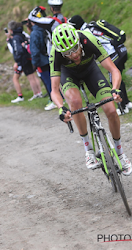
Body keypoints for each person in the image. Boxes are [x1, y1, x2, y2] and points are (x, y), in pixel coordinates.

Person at [50, 23, 132, 175]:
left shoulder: (88, 39)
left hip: (90, 71)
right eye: (67, 53)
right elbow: (54, 91)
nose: (73, 55)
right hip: (68, 75)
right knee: (74, 103)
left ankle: (120, 153)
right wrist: (61, 107)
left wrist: (115, 89)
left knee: (111, 110)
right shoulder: (55, 53)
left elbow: (114, 70)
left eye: (75, 49)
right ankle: (88, 149)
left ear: (79, 42)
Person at [68, 15, 132, 116]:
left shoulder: (85, 33)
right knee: (119, 79)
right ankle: (127, 103)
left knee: (114, 80)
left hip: (113, 54)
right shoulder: (91, 27)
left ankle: (122, 107)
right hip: (121, 50)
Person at [28, 6, 57, 111]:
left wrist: (35, 64)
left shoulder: (34, 33)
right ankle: (60, 98)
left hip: (41, 61)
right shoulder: (46, 28)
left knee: (48, 82)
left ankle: (54, 100)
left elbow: (34, 51)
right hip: (50, 58)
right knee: (55, 80)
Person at [6, 21, 43, 103]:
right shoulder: (22, 34)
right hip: (29, 57)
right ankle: (39, 92)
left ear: (11, 30)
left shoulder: (15, 38)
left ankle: (35, 94)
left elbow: (17, 50)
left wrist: (17, 61)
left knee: (30, 77)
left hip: (23, 59)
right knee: (33, 75)